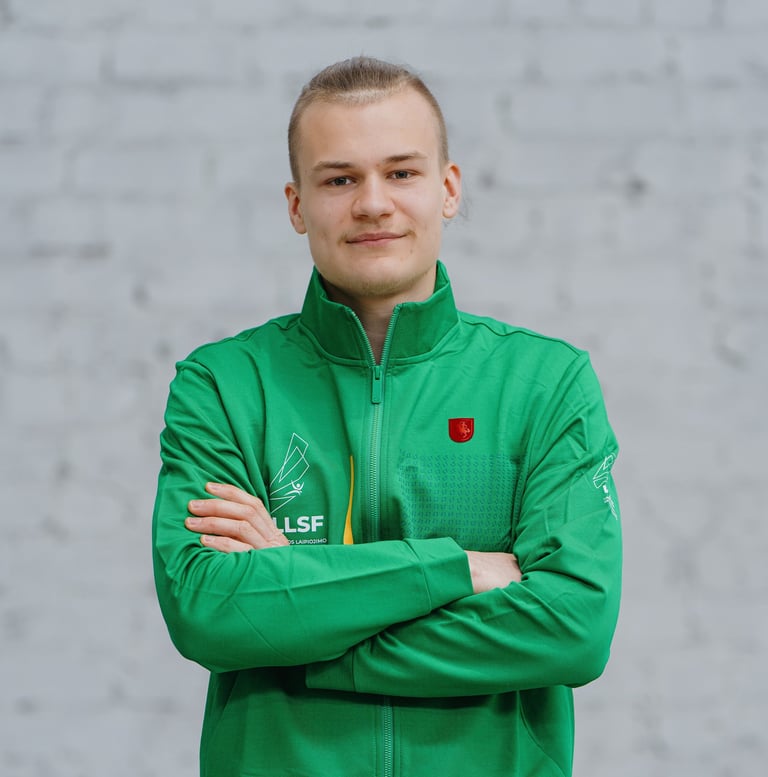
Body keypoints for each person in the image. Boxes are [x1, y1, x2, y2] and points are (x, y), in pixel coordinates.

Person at [152, 56, 622, 777]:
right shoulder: (223, 386)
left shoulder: (546, 384)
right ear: (296, 204)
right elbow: (207, 610)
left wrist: (297, 611)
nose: (373, 203)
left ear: (449, 188)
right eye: (339, 179)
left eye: (400, 172)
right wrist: (458, 567)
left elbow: (573, 628)